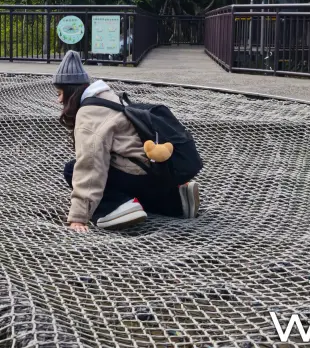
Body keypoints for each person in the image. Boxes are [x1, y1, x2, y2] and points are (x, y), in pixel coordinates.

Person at [54, 50, 200, 232]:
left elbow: (91, 164)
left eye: (60, 94)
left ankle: (118, 207)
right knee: (127, 173)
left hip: (138, 175)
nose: (59, 100)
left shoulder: (89, 114)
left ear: (71, 92)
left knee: (71, 169)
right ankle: (177, 202)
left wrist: (79, 216)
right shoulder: (106, 97)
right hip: (155, 172)